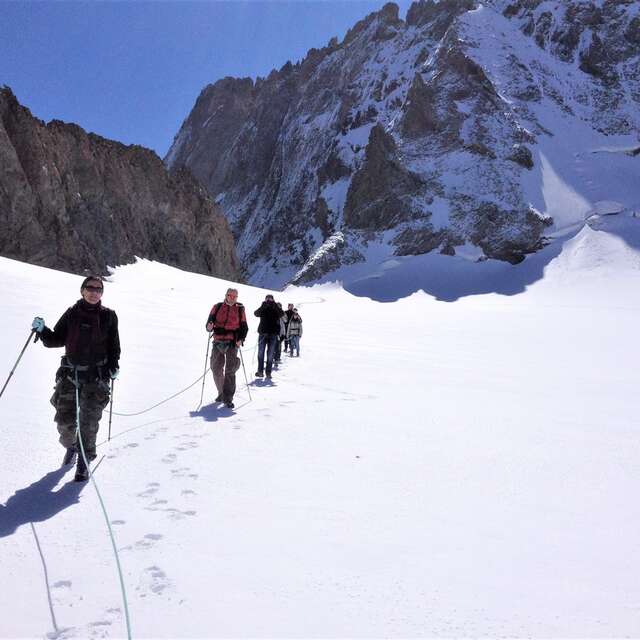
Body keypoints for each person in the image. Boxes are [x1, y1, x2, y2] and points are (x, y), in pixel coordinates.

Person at [31, 275, 120, 482]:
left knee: (89, 423)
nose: (94, 292)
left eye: (98, 289)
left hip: (96, 378)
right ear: (82, 290)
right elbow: (57, 339)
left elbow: (114, 347)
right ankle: (71, 446)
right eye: (90, 288)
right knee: (65, 423)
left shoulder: (109, 316)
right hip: (70, 376)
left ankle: (84, 460)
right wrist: (42, 330)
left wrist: (112, 368)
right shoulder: (72, 314)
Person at [206, 288, 248, 409]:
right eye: (231, 296)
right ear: (226, 295)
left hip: (232, 341)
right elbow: (209, 323)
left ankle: (228, 398)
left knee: (229, 371)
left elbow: (244, 326)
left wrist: (241, 339)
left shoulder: (240, 309)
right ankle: (221, 392)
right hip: (217, 340)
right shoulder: (217, 307)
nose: (233, 298)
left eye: (235, 296)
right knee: (215, 368)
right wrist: (209, 327)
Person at [254, 294, 284, 379]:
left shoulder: (276, 308)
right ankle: (260, 371)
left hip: (273, 335)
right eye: (267, 299)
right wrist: (263, 306)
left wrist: (275, 306)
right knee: (260, 353)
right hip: (263, 334)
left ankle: (268, 372)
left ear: (273, 300)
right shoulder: (263, 307)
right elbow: (256, 313)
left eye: (270, 299)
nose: (269, 300)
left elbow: (282, 314)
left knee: (270, 354)